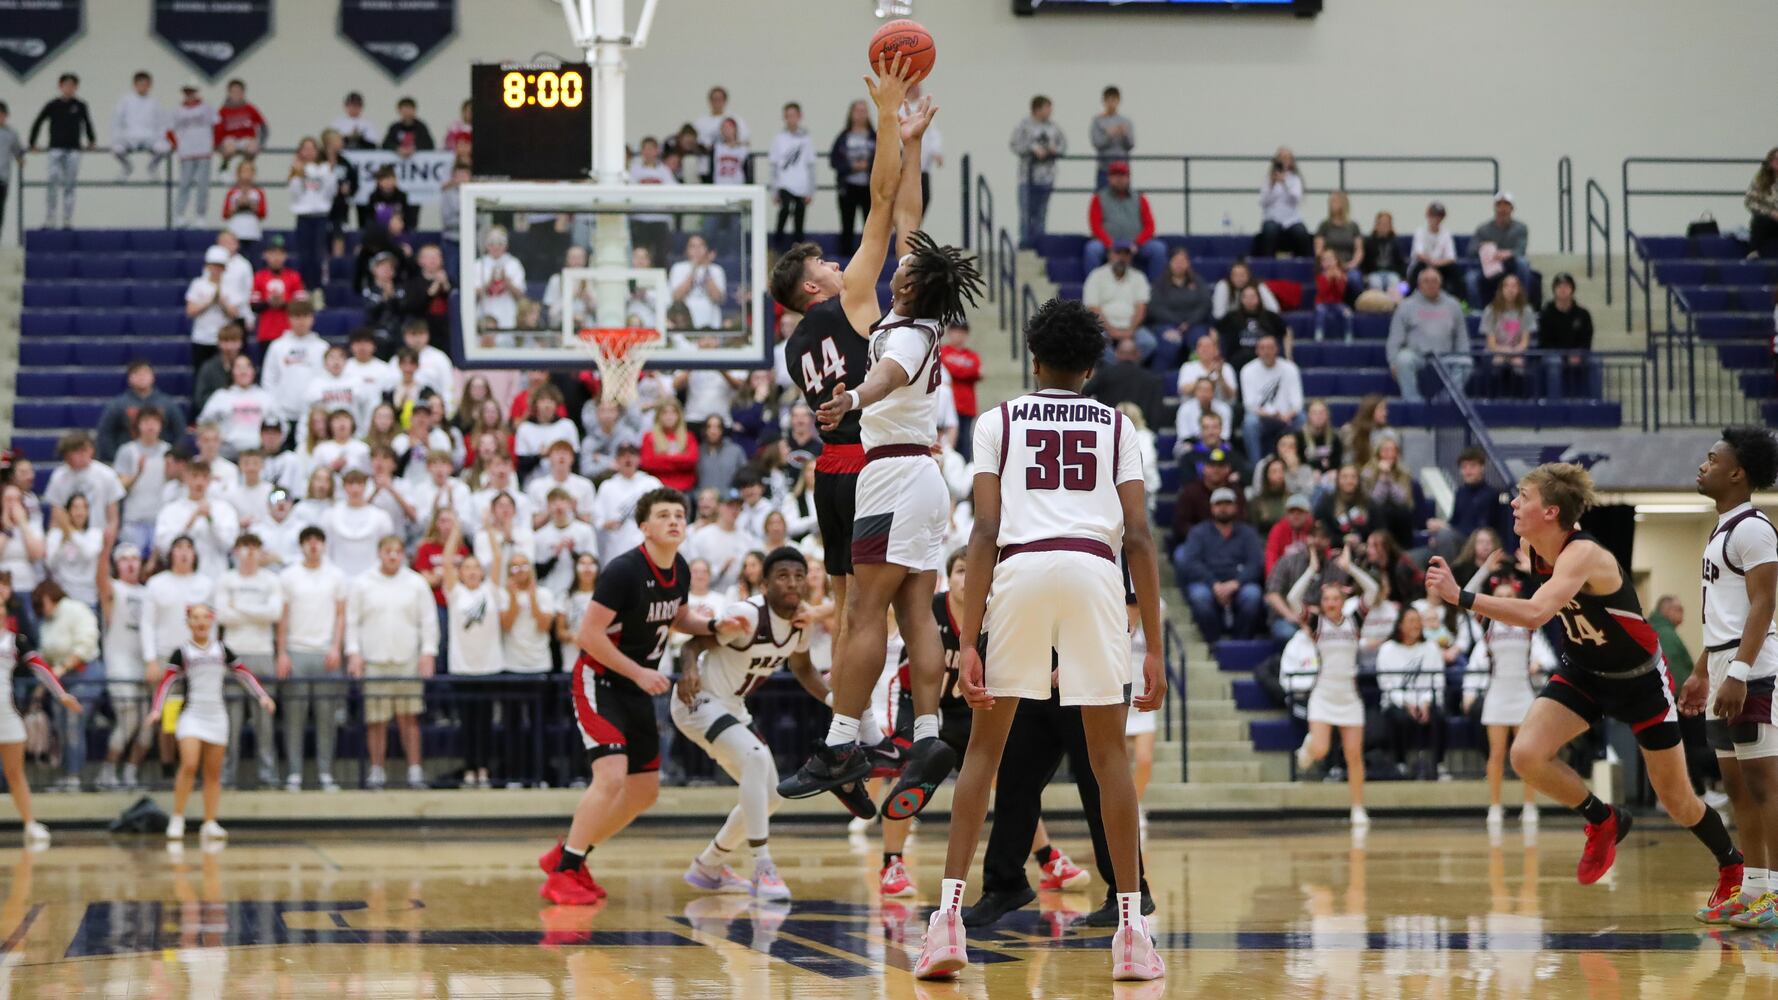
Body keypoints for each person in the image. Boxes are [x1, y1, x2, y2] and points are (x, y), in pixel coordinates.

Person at [913, 296, 1165, 983]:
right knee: (1109, 757)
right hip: (1093, 570)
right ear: (1090, 366)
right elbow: (1139, 536)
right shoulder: (1117, 426)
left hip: (1020, 568)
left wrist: (969, 637)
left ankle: (945, 924)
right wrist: (1157, 650)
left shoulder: (997, 419)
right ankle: (1132, 930)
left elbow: (985, 530)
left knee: (984, 757)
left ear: (1033, 360)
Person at [1424, 464, 1743, 913]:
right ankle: (1604, 818)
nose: (1513, 502)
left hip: (1640, 681)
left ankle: (1732, 866)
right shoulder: (1530, 546)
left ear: (1551, 510)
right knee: (1526, 755)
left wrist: (1463, 597)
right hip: (1584, 672)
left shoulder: (1584, 554)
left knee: (1678, 801)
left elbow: (1536, 613)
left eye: (1523, 496)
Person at [787, 186, 987, 828]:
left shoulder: (901, 332)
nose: (895, 263)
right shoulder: (921, 317)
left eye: (903, 268)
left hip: (892, 472)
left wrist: (853, 399)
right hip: (923, 476)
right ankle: (927, 733)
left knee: (867, 611)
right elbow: (909, 225)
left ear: (906, 288)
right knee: (917, 612)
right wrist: (912, 142)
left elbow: (888, 376)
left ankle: (842, 742)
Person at [771, 58, 934, 777]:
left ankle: (856, 726)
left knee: (844, 606)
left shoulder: (792, 347)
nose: (843, 265)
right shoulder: (857, 296)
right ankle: (861, 734)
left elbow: (908, 223)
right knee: (892, 612)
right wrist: (894, 128)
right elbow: (885, 205)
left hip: (827, 475)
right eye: (828, 266)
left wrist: (911, 141)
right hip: (875, 466)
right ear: (814, 286)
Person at [538, 487, 747, 905]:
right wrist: (639, 671)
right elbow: (588, 635)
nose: (674, 521)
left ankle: (570, 855)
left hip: (636, 685)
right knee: (611, 777)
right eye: (664, 515)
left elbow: (678, 615)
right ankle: (562, 873)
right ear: (644, 527)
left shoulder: (682, 569)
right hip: (601, 680)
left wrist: (715, 627)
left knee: (645, 791)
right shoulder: (623, 571)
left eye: (679, 515)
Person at [675, 547, 829, 900]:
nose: (792, 582)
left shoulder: (800, 622)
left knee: (771, 795)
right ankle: (763, 866)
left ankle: (709, 864)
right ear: (764, 583)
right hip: (698, 701)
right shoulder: (746, 614)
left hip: (732, 708)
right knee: (757, 759)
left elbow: (803, 669)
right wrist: (688, 670)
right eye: (783, 576)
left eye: (799, 576)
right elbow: (691, 645)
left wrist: (834, 700)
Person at [1689, 428, 1778, 927]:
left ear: (1737, 472)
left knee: (1765, 784)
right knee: (1736, 784)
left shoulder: (1753, 528)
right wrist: (1704, 671)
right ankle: (1755, 887)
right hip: (1725, 665)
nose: (1703, 465)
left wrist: (1739, 672)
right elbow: (1725, 612)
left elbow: (1764, 603)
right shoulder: (1722, 528)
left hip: (1754, 668)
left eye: (1712, 459)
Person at [148, 603, 275, 841]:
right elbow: (166, 683)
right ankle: (177, 818)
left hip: (217, 715)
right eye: (195, 618)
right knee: (189, 763)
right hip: (192, 715)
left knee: (213, 773)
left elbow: (244, 674)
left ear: (212, 621)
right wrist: (157, 710)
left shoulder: (222, 649)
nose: (200, 622)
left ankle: (210, 822)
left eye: (204, 617)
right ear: (188, 623)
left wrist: (262, 696)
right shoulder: (182, 652)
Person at [1286, 545, 1381, 824]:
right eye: (1325, 598)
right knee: (1322, 750)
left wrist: (1350, 568)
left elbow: (1373, 591)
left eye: (1334, 598)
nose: (1330, 603)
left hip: (1349, 697)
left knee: (1354, 755)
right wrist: (1311, 571)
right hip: (1323, 695)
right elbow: (1292, 598)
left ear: (1342, 600)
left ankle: (1358, 809)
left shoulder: (1354, 622)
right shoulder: (1316, 624)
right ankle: (1308, 747)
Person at [1463, 570, 1554, 829]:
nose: (1504, 599)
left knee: (1525, 755)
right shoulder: (1486, 623)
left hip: (1523, 694)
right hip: (1497, 694)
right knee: (1497, 753)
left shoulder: (1529, 625)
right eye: (1499, 596)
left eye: (1509, 595)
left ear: (1516, 597)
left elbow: (1549, 659)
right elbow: (1466, 595)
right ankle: (1495, 806)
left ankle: (1529, 805)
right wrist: (1485, 568)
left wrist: (1538, 663)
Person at [346, 535, 437, 790]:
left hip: (407, 660)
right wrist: (354, 653)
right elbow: (353, 622)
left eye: (397, 551)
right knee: (376, 720)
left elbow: (428, 621)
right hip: (374, 661)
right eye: (388, 551)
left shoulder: (416, 583)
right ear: (379, 553)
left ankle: (415, 771)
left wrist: (428, 653)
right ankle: (376, 770)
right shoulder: (363, 583)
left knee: (409, 718)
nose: (393, 556)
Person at [0, 576, 80, 843]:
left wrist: (62, 694)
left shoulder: (16, 642)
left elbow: (42, 669)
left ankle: (29, 824)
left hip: (8, 714)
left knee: (15, 773)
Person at [277, 526, 345, 791]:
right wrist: (282, 653)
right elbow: (282, 619)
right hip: (296, 651)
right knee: (294, 716)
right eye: (308, 541)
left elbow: (341, 615)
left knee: (326, 716)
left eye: (318, 540)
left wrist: (336, 647)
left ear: (324, 545)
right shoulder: (289, 576)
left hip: (325, 653)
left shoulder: (336, 576)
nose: (313, 545)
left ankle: (326, 772)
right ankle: (294, 773)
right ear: (302, 546)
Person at [214, 535, 282, 788]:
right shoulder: (226, 579)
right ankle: (226, 776)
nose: (250, 553)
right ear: (236, 551)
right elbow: (222, 616)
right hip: (233, 655)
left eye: (255, 548)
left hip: (263, 654)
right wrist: (256, 611)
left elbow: (273, 614)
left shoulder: (271, 580)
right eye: (245, 547)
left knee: (264, 719)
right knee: (231, 721)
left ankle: (268, 775)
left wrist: (239, 606)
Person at [96, 545, 152, 791]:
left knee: (149, 725)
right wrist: (105, 549)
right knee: (129, 720)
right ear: (117, 564)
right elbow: (100, 582)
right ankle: (107, 771)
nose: (130, 564)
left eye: (135, 559)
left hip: (145, 664)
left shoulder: (149, 592)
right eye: (124, 560)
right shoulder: (114, 589)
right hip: (120, 665)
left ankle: (130, 771)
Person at [1179, 488, 1266, 643]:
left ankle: (1240, 643)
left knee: (1252, 595)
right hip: (1208, 584)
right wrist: (1214, 584)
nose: (1223, 508)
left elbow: (1255, 563)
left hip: (1239, 584)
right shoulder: (1199, 532)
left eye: (1228, 503)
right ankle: (1214, 643)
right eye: (1219, 504)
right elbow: (1191, 563)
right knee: (1199, 596)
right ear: (1212, 508)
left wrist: (1236, 583)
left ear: (1235, 507)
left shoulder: (1248, 533)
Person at [1387, 268, 1472, 402]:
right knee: (1403, 359)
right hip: (1418, 355)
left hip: (1445, 356)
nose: (1431, 284)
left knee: (1466, 362)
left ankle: (1446, 400)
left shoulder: (1453, 305)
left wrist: (1464, 354)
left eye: (1434, 281)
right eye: (1426, 281)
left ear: (1440, 283)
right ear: (1419, 284)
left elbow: (1462, 338)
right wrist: (1392, 361)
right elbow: (1395, 338)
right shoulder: (1406, 306)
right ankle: (1413, 402)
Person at [28, 72, 95, 229]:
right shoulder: (52, 105)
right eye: (66, 85)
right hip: (55, 149)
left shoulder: (80, 105)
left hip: (73, 150)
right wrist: (32, 142)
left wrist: (91, 140)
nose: (69, 88)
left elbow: (87, 123)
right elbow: (38, 122)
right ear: (60, 86)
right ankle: (50, 218)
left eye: (72, 86)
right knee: (52, 181)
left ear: (76, 88)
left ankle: (67, 219)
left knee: (69, 185)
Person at [1084, 161, 1164, 275]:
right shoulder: (1099, 198)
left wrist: (1136, 244)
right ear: (1109, 178)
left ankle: (1155, 290)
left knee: (1158, 249)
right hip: (1108, 244)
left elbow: (1150, 226)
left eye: (1122, 175)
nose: (1119, 179)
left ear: (1128, 178)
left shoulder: (1140, 198)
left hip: (1135, 244)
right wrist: (1110, 245)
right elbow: (1095, 226)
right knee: (1092, 249)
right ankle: (1091, 287)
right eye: (1115, 175)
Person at [1010, 95, 1065, 249]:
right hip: (1027, 178)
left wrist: (1054, 151)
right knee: (1026, 212)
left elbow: (1063, 146)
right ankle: (1025, 244)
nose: (1050, 112)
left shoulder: (1053, 128)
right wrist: (1032, 150)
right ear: (1037, 109)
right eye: (1047, 108)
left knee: (1042, 213)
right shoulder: (1024, 126)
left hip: (1047, 177)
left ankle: (1040, 244)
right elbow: (1014, 144)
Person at [1239, 334, 1304, 467]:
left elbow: (1298, 404)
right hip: (1262, 418)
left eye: (1270, 347)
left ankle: (1300, 463)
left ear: (1277, 349)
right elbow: (1250, 405)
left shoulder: (1290, 368)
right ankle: (1256, 467)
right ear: (1257, 351)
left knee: (1302, 418)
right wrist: (1274, 414)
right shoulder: (1248, 370)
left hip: (1287, 418)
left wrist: (1286, 415)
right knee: (1250, 423)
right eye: (1263, 348)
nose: (1267, 352)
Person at [1082, 242, 1154, 362]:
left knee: (1149, 342)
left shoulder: (1139, 276)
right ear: (1110, 255)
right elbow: (1093, 309)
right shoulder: (1096, 275)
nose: (1122, 258)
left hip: (1132, 326)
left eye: (1126, 254)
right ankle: (1120, 370)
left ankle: (1124, 370)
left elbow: (1141, 308)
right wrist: (1112, 330)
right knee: (1094, 342)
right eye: (1118, 253)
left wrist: (1130, 330)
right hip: (1104, 327)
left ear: (1130, 257)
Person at [186, 248, 246, 378]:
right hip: (202, 338)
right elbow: (190, 311)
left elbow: (235, 314)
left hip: (225, 341)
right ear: (208, 266)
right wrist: (209, 302)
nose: (217, 270)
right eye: (214, 266)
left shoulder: (231, 286)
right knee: (202, 373)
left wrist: (222, 303)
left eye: (220, 266)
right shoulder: (198, 284)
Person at [169, 82, 219, 229]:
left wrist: (214, 144)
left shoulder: (207, 108)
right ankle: (179, 215)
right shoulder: (177, 111)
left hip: (203, 152)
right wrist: (178, 145)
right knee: (184, 183)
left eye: (192, 91)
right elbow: (169, 130)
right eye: (187, 92)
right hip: (186, 153)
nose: (189, 94)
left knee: (202, 185)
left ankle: (200, 216)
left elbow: (217, 125)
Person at [1468, 192, 1532, 308]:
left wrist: (1508, 253)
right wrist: (1483, 248)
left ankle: (1523, 305)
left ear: (1512, 209)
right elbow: (1471, 250)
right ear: (1495, 208)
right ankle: (1477, 313)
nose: (1502, 209)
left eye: (1506, 206)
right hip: (1489, 268)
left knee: (1523, 263)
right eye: (1499, 205)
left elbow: (1521, 250)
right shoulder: (1483, 229)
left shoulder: (1521, 228)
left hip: (1511, 266)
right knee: (1470, 279)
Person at [829, 99, 876, 256]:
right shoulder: (843, 137)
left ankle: (869, 256)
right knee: (847, 224)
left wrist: (867, 166)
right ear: (851, 114)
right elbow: (834, 160)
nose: (860, 114)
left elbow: (886, 158)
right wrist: (851, 167)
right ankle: (846, 257)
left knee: (870, 225)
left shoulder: (874, 137)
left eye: (864, 111)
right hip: (848, 187)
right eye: (857, 111)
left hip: (869, 188)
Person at [1537, 273, 1596, 396]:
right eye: (1559, 286)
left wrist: (1578, 353)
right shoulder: (1546, 313)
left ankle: (1594, 404)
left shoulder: (1583, 314)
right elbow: (1544, 341)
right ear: (1554, 290)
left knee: (1595, 362)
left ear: (1572, 289)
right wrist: (1564, 355)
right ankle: (1555, 406)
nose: (1563, 290)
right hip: (1553, 354)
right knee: (1554, 362)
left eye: (1566, 286)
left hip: (1578, 353)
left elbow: (1586, 339)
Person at [1481, 273, 1536, 397]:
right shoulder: (1490, 310)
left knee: (1518, 363)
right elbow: (1491, 344)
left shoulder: (1527, 311)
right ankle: (1492, 402)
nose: (1510, 290)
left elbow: (1525, 342)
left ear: (1519, 290)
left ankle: (1522, 404)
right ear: (1501, 290)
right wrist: (1505, 351)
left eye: (1514, 286)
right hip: (1496, 352)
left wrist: (1514, 351)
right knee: (1497, 362)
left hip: (1518, 351)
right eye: (1507, 286)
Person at [1217, 283, 1290, 369]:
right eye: (1246, 297)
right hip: (1239, 360)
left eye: (1252, 296)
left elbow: (1287, 331)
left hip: (1266, 358)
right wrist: (1217, 354)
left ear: (1258, 298)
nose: (1249, 300)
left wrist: (1288, 356)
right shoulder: (1231, 316)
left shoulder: (1270, 316)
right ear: (1241, 299)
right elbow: (1215, 330)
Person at [111, 70, 169, 178]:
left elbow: (161, 123)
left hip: (149, 137)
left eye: (146, 84)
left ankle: (152, 167)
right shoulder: (125, 100)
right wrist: (118, 138)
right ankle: (126, 167)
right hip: (129, 137)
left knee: (164, 148)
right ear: (134, 85)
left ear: (150, 85)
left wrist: (160, 138)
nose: (143, 87)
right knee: (116, 149)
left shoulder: (154, 102)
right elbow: (116, 121)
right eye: (140, 84)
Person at [1257, 147, 1311, 258]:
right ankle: (1267, 263)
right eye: (1281, 158)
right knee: (1269, 232)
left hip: (1291, 219)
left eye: (1287, 158)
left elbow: (1296, 199)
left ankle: (1302, 262)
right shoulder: (1268, 179)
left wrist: (1284, 182)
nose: (1284, 160)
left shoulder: (1295, 179)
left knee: (1301, 233)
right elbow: (1263, 202)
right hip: (1272, 218)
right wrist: (1272, 185)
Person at [1408, 201, 1464, 296]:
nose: (1436, 219)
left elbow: (1451, 257)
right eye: (1433, 215)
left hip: (1440, 265)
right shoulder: (1420, 232)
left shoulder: (1446, 233)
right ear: (1428, 216)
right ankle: (1410, 297)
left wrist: (1437, 263)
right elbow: (1419, 254)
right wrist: (1431, 262)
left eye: (1439, 216)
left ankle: (1460, 301)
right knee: (1417, 269)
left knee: (1455, 270)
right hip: (1423, 265)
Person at [214, 78, 266, 170]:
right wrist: (217, 146)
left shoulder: (250, 108)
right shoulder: (223, 110)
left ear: (243, 93)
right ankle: (224, 167)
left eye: (239, 91)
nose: (236, 94)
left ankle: (247, 169)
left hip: (246, 138)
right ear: (229, 93)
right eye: (233, 92)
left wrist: (261, 143)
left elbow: (263, 126)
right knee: (230, 148)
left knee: (252, 147)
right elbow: (217, 130)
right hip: (230, 139)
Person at [1089, 85, 1134, 188]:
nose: (1111, 104)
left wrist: (1124, 134)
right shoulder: (1097, 121)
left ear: (1118, 101)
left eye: (1114, 100)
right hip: (1104, 169)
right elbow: (1097, 143)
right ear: (1103, 101)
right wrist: (1109, 135)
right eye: (1108, 100)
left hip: (1123, 169)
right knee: (1102, 200)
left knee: (1124, 201)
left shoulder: (1126, 121)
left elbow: (1131, 144)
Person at [221, 160, 267, 253]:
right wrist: (236, 206)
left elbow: (262, 214)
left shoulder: (258, 192)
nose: (246, 174)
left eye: (249, 171)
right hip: (235, 232)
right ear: (238, 174)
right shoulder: (232, 192)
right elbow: (225, 214)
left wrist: (253, 207)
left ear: (254, 174)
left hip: (252, 232)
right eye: (243, 171)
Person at [1362, 210, 1408, 294]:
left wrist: (1403, 277)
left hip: (1392, 273)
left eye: (1386, 224)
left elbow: (1401, 261)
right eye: (1381, 223)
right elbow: (1364, 261)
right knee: (1376, 283)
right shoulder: (1369, 242)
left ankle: (1392, 305)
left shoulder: (1396, 242)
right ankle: (1379, 305)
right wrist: (1365, 275)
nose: (1384, 226)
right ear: (1376, 225)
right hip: (1374, 273)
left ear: (1391, 226)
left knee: (1394, 282)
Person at [1746, 148, 1778, 256]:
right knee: (1759, 220)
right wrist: (1770, 213)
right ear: (1769, 161)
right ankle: (1753, 252)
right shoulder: (1760, 180)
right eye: (1775, 159)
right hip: (1768, 220)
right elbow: (1749, 202)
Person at [0, 102, 21, 234]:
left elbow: (17, 151)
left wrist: (20, 159)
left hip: (3, 177)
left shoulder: (11, 133)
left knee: (0, 210)